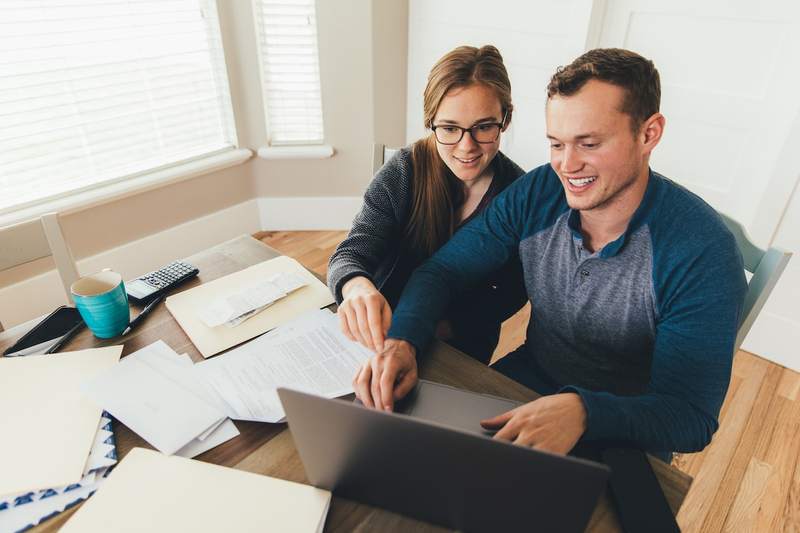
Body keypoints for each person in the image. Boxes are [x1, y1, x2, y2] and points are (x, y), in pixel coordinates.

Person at [352, 48, 747, 459]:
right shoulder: (539, 191)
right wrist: (403, 340)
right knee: (409, 457)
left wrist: (584, 411)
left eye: (588, 143)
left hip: (626, 427)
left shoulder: (702, 253)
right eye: (556, 144)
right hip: (527, 381)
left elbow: (689, 417)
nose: (567, 166)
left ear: (649, 134)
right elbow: (443, 270)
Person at [328, 45, 527, 364]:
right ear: (430, 122)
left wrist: (438, 328)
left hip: (458, 346)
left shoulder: (520, 194)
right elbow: (352, 252)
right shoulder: (404, 171)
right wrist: (355, 288)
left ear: (505, 119)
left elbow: (512, 291)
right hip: (377, 335)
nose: (467, 146)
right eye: (449, 128)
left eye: (484, 127)